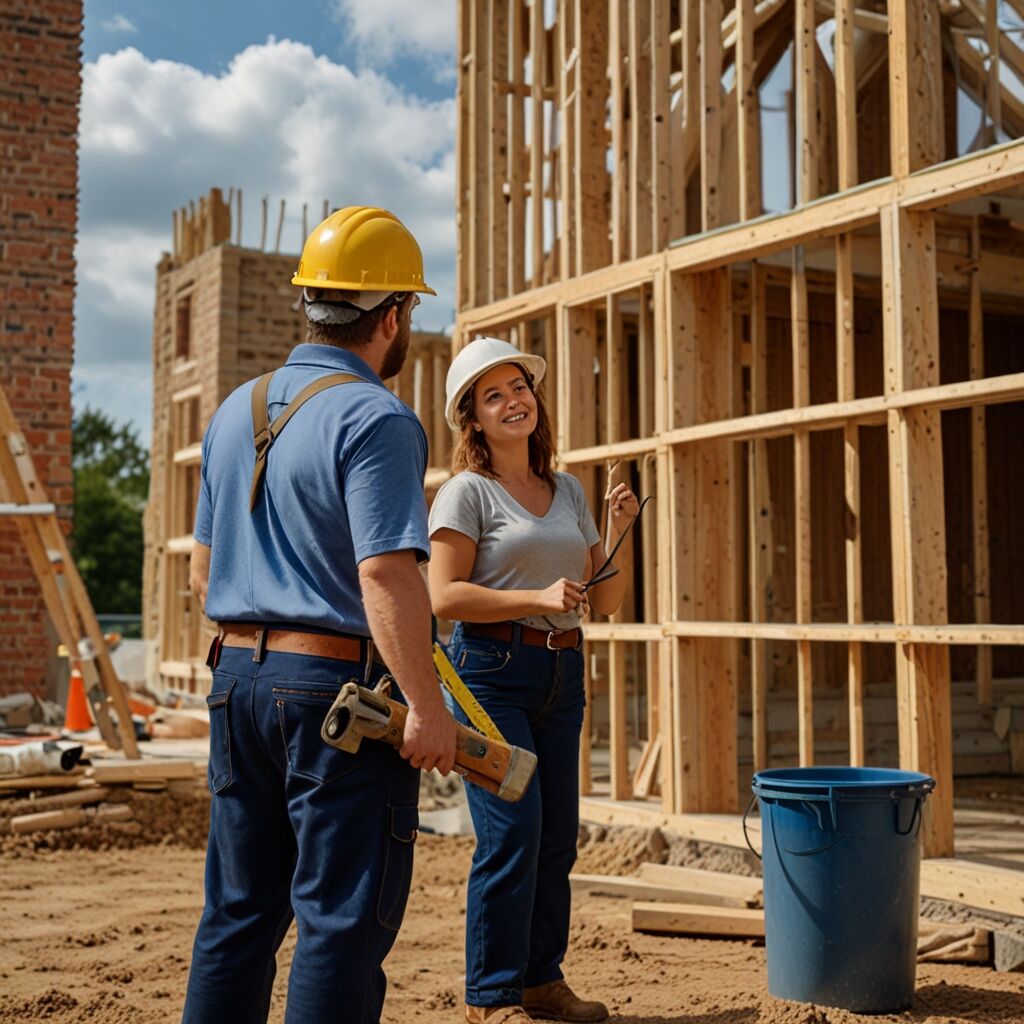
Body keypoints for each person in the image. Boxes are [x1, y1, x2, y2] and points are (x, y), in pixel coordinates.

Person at [182, 206, 457, 1024]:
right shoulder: (376, 417)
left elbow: (203, 571)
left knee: (237, 915)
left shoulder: (235, 410)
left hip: (234, 677)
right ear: (393, 314)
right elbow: (386, 574)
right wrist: (427, 707)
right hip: (334, 694)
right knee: (339, 919)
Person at [428, 337, 640, 1024]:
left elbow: (603, 601)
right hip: (490, 673)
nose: (512, 401)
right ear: (474, 418)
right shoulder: (468, 493)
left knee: (557, 836)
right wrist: (535, 599)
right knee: (512, 832)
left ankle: (540, 980)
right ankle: (489, 998)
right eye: (494, 395)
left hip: (561, 671)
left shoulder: (568, 489)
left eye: (519, 387)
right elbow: (443, 597)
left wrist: (617, 532)